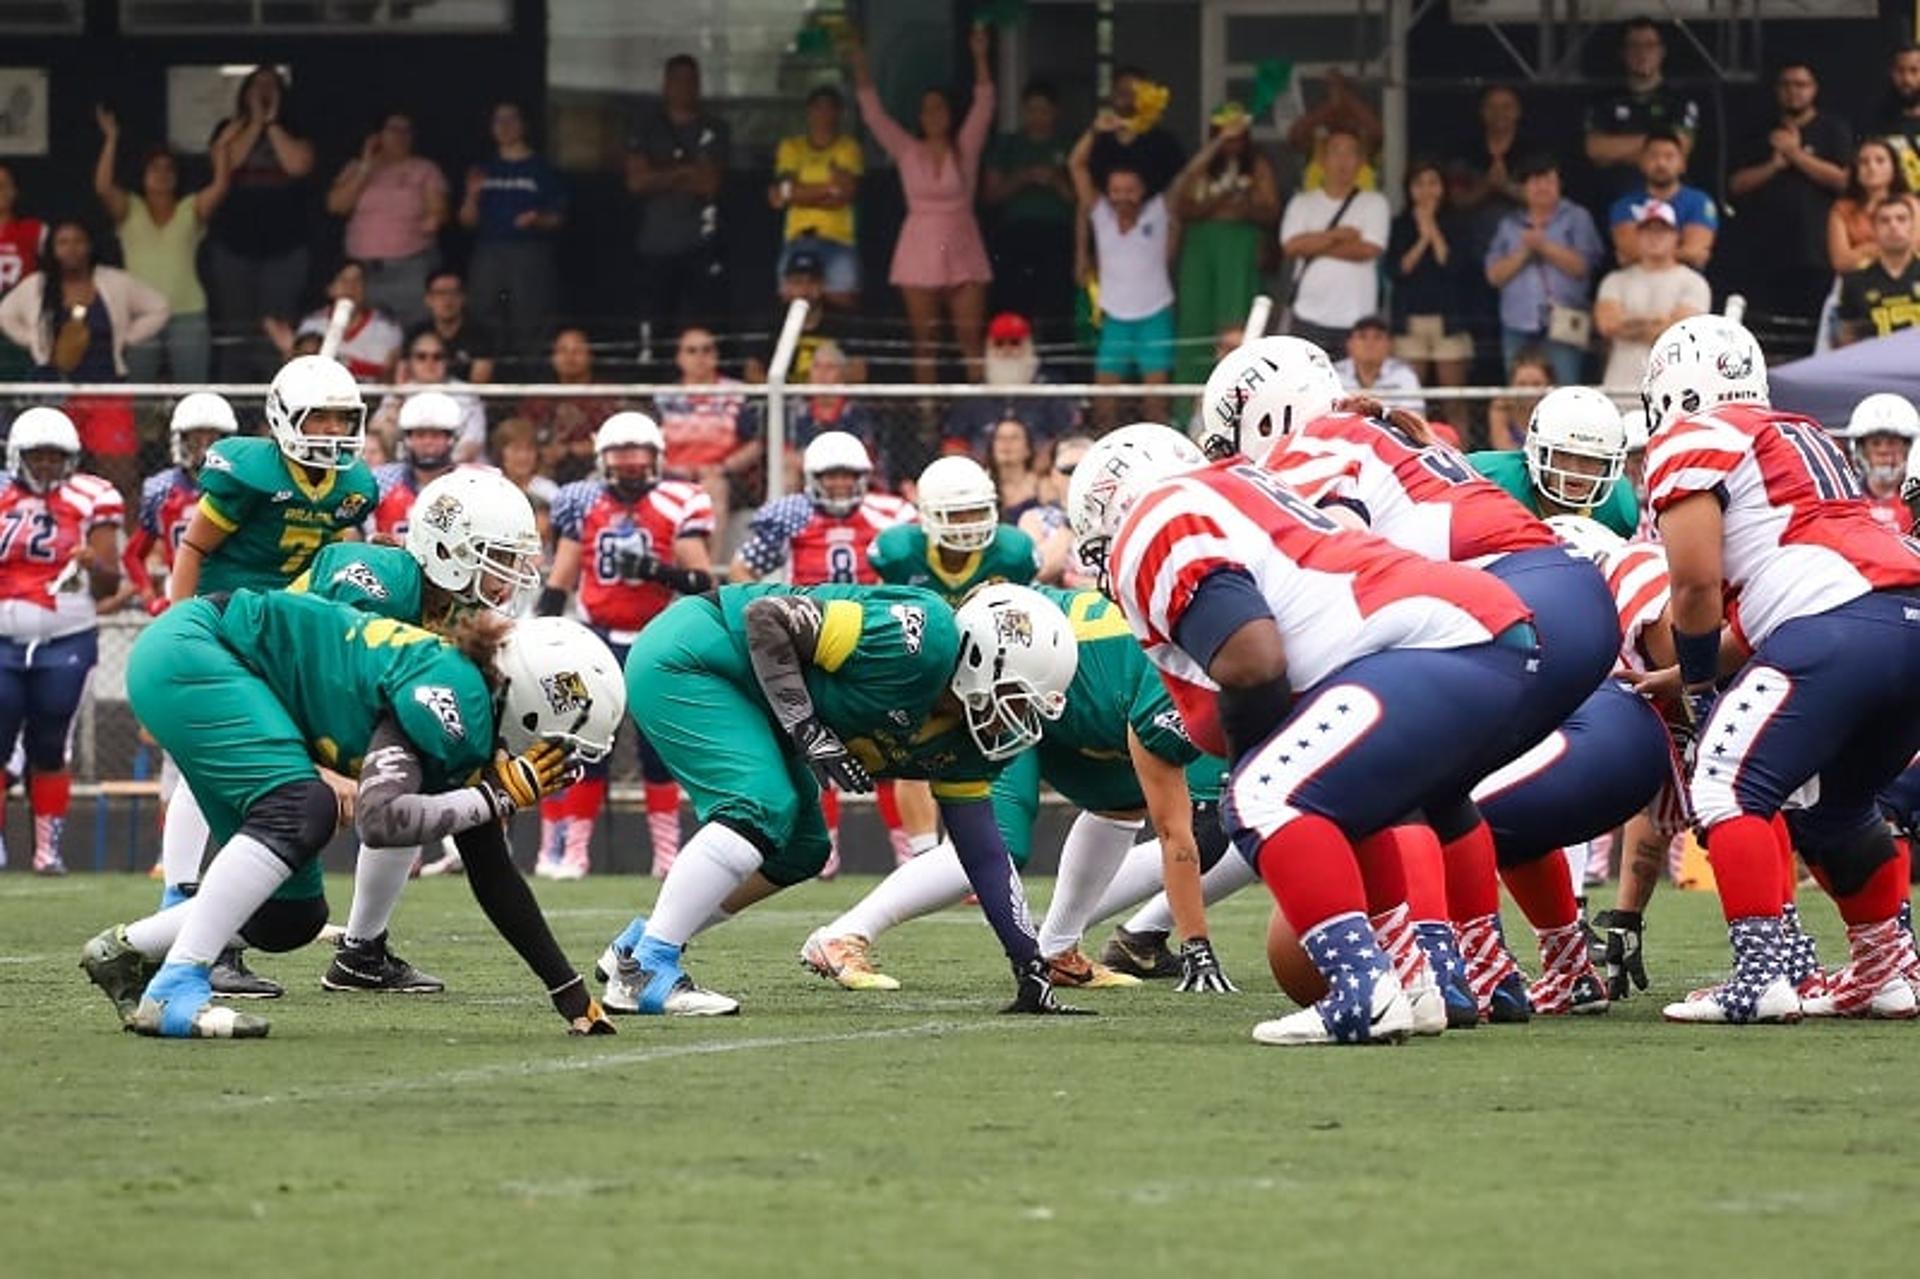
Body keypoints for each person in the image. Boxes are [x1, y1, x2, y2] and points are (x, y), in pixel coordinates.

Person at [1070, 423, 1540, 1044]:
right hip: (1476, 633)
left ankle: (1359, 990)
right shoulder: (1234, 491)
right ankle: (1412, 983)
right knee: (1349, 804)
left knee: (1261, 792)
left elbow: (1253, 662)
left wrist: (1249, 766)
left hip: (1440, 643)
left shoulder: (1157, 520)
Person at [1207, 339, 1619, 1020]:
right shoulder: (1382, 436)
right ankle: (1489, 970)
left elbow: (1337, 548)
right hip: (1565, 598)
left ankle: (1430, 966)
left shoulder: (1315, 442)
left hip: (1512, 603)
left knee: (1379, 775)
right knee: (1441, 783)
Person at [81, 597, 622, 1040]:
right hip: (197, 651)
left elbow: (492, 871)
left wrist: (570, 995)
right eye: (556, 742)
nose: (553, 759)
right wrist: (495, 798)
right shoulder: (457, 697)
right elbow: (381, 820)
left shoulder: (469, 700)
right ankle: (175, 987)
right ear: (531, 703)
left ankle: (125, 951)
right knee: (303, 807)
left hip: (198, 657)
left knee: (288, 917)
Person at [599, 582, 1084, 1017]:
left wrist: (1030, 966)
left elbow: (984, 855)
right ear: (979, 660)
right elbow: (766, 618)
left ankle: (642, 943)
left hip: (752, 700)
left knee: (803, 849)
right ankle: (645, 970)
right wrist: (808, 728)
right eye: (1016, 698)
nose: (1017, 719)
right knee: (760, 803)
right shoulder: (921, 640)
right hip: (697, 655)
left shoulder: (966, 744)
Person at [1640, 314, 1920, 1023]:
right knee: (1837, 805)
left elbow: (1697, 584)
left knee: (1725, 781)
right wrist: (1689, 673)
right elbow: (1781, 583)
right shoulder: (1801, 432)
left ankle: (1761, 975)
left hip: (1837, 624)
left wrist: (1699, 686)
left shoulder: (1694, 434)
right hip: (1900, 615)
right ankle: (1885, 969)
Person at [802, 581, 1226, 995]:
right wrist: (1197, 945)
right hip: (1012, 689)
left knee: (1122, 803)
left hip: (1070, 700)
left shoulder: (1193, 657)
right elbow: (1178, 834)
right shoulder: (1181, 676)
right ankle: (844, 935)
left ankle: (1058, 950)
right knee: (998, 841)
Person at [156, 356, 379, 999]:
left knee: (263, 764)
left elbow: (340, 558)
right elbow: (195, 547)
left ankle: (215, 920)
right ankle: (185, 897)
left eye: (345, 417)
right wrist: (182, 624)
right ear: (285, 419)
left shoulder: (351, 485)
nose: (335, 429)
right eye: (323, 416)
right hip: (225, 626)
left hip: (289, 634)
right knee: (218, 765)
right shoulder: (251, 473)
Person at [288, 467, 545, 989]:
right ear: (447, 553)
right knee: (287, 861)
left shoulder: (458, 611)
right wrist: (317, 769)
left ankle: (361, 951)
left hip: (320, 708)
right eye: (496, 559)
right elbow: (307, 673)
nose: (508, 576)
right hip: (252, 691)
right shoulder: (375, 580)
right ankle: (209, 941)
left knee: (423, 763)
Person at [539, 413, 715, 880]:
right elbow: (561, 579)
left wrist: (658, 571)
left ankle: (667, 855)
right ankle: (575, 853)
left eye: (640, 456)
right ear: (603, 459)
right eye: (622, 456)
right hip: (596, 638)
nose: (632, 465)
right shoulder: (582, 501)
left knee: (659, 748)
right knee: (586, 745)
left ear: (656, 457)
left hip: (656, 638)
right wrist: (545, 634)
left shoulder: (680, 500)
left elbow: (702, 582)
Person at [728, 433, 915, 873]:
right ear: (814, 478)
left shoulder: (891, 514)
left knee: (893, 742)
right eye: (830, 476)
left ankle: (908, 848)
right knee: (812, 739)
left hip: (871, 643)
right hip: (809, 643)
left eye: (847, 476)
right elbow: (742, 571)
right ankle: (825, 847)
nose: (838, 485)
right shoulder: (793, 516)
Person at [869, 454, 1039, 894]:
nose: (966, 524)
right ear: (928, 515)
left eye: (975, 512)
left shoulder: (1014, 552)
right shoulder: (898, 551)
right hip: (923, 662)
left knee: (985, 753)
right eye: (955, 513)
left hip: (988, 665)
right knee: (910, 743)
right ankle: (925, 856)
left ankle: (964, 854)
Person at [0, 407, 122, 876]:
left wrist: (94, 563)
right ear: (18, 455)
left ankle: (46, 851)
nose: (48, 465)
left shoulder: (94, 496)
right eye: (39, 456)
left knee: (51, 743)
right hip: (4, 640)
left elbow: (110, 585)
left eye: (57, 456)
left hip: (64, 638)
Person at [851, 24, 995, 383]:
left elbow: (985, 103)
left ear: (950, 113)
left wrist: (980, 56)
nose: (934, 115)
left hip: (963, 245)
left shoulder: (966, 147)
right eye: (927, 109)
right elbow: (873, 116)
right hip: (919, 248)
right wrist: (860, 65)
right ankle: (927, 418)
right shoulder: (906, 150)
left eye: (940, 108)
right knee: (925, 342)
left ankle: (979, 419)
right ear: (919, 116)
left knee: (970, 339)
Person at [0, 218, 168, 502]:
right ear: (52, 249)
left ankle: (121, 539)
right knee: (50, 468)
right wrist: (33, 342)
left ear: (89, 245)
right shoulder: (37, 286)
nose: (71, 249)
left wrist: (127, 337)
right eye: (63, 243)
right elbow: (5, 313)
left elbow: (159, 306)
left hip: (106, 389)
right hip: (53, 393)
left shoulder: (112, 281)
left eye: (78, 241)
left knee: (121, 474)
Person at [93, 105, 231, 383]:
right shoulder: (130, 208)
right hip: (140, 313)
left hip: (188, 311)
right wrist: (111, 139)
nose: (162, 173)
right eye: (154, 168)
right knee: (138, 393)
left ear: (178, 176)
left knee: (193, 391)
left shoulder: (190, 208)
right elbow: (104, 187)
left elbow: (220, 186)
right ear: (142, 175)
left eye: (169, 169)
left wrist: (222, 152)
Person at [204, 67, 315, 381]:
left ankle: (277, 397)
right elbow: (228, 162)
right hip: (234, 245)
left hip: (284, 246)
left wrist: (271, 124)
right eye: (258, 86)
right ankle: (236, 404)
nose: (264, 92)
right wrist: (253, 123)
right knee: (236, 328)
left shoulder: (294, 128)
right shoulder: (229, 129)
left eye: (271, 86)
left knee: (276, 326)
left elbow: (298, 165)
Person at [1726, 61, 1851, 325]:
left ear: (1814, 89)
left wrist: (1796, 154)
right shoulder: (1758, 129)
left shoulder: (1832, 129)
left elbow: (1844, 181)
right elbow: (1735, 185)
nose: (1793, 91)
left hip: (1816, 250)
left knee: (1815, 328)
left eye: (1801, 84)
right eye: (1786, 85)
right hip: (1764, 251)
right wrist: (1774, 165)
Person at [1171, 105, 1280, 385]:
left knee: (1236, 324)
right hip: (1200, 251)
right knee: (1196, 324)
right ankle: (1188, 407)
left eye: (1237, 136)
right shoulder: (1202, 166)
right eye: (1223, 135)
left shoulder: (1257, 165)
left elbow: (1270, 211)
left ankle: (1237, 397)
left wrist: (1242, 208)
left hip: (1239, 250)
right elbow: (1180, 204)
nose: (1231, 143)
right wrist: (1217, 203)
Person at [1069, 153, 1176, 427]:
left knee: (1156, 404)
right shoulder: (1101, 215)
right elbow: (1076, 164)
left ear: (1143, 190)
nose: (1122, 197)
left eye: (1130, 190)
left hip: (1155, 315)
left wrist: (1220, 140)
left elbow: (1188, 176)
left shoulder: (1160, 209)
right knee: (1105, 404)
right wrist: (1098, 129)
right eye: (1116, 191)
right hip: (1114, 317)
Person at [629, 55, 730, 339]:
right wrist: (685, 172)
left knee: (701, 329)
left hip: (700, 242)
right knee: (655, 327)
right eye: (678, 80)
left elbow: (709, 183)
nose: (685, 87)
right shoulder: (647, 126)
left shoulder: (714, 128)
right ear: (666, 84)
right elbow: (637, 181)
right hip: (655, 242)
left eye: (691, 80)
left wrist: (661, 175)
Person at [1484, 153, 1604, 385]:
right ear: (1523, 188)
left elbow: (1583, 267)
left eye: (1548, 180)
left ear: (1559, 185)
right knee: (1518, 393)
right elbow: (1494, 275)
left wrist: (1545, 246)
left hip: (1564, 321)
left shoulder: (1577, 217)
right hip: (1517, 323)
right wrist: (1523, 252)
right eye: (1535, 181)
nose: (1542, 187)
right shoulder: (1508, 225)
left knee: (1565, 389)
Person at [459, 101, 565, 361]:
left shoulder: (541, 168)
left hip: (528, 251)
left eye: (511, 119)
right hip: (489, 250)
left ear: (523, 125)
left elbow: (558, 217)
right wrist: (472, 195)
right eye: (498, 121)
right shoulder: (483, 168)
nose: (505, 126)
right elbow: (466, 221)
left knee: (529, 319)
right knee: (483, 315)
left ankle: (528, 384)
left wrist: (537, 219)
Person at [326, 111, 448, 331]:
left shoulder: (424, 169)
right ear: (378, 135)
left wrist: (433, 218)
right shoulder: (356, 167)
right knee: (366, 332)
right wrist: (365, 167)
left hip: (409, 267)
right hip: (363, 271)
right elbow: (336, 206)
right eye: (393, 130)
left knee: (413, 329)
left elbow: (437, 209)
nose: (400, 136)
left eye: (406, 131)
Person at [1468, 385, 1640, 535]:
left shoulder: (1618, 511)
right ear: (1538, 452)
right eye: (1563, 454)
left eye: (1590, 458)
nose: (1575, 469)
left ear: (1608, 464)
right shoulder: (1488, 481)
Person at [1277, 127, 1389, 353]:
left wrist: (1312, 245)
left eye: (1350, 153)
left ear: (1360, 162)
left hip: (1358, 320)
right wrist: (1337, 235)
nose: (1343, 161)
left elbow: (1368, 249)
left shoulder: (1374, 203)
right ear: (1322, 160)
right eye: (1336, 152)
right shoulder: (1302, 203)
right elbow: (1291, 246)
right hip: (1308, 316)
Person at [124, 394, 236, 613]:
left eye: (213, 440)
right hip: (181, 594)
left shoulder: (241, 486)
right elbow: (133, 555)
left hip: (231, 594)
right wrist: (150, 598)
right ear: (181, 440)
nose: (205, 449)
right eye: (196, 439)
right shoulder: (161, 489)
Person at [982, 81, 1075, 330]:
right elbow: (991, 195)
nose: (1038, 117)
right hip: (1016, 233)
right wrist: (1022, 178)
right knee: (1015, 300)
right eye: (1032, 110)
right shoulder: (1009, 145)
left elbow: (1081, 200)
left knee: (1056, 300)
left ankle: (1057, 366)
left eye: (1044, 110)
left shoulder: (1070, 145)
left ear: (1056, 111)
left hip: (1058, 232)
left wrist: (1055, 180)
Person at [1593, 200, 1711, 390]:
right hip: (1621, 385)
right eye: (1648, 230)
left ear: (1676, 236)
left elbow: (1681, 334)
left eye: (1662, 231)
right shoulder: (1615, 280)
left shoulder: (1694, 282)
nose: (1654, 237)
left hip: (1671, 388)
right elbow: (1608, 325)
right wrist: (1660, 321)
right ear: (1638, 236)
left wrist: (1628, 323)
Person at [654, 325, 759, 529]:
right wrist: (673, 470)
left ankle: (707, 562)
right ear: (679, 358)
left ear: (716, 356)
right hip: (671, 473)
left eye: (706, 350)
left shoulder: (737, 393)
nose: (699, 357)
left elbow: (755, 445)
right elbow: (651, 445)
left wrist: (721, 468)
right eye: (691, 351)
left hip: (725, 476)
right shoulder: (663, 397)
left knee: (713, 488)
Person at [1386, 158, 1473, 402]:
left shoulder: (1457, 223)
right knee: (1410, 401)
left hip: (1449, 320)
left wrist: (1433, 230)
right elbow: (1398, 270)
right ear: (1409, 189)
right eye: (1419, 184)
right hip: (1410, 321)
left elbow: (1454, 265)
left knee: (1454, 400)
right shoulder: (1400, 225)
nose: (1426, 190)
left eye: (1433, 183)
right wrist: (1421, 239)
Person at [1584, 19, 1701, 197]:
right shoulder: (1604, 101)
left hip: (1671, 199)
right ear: (1623, 53)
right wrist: (1657, 143)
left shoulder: (1680, 100)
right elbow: (1596, 149)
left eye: (1650, 45)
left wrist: (1617, 150)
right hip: (1616, 198)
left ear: (1662, 52)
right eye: (1634, 46)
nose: (1642, 53)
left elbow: (1680, 148)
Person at [770, 85, 862, 311]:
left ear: (839, 113)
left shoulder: (848, 147)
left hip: (838, 241)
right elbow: (780, 193)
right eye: (818, 108)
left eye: (829, 108)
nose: (823, 114)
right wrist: (827, 189)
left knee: (843, 305)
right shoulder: (791, 147)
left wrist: (796, 194)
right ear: (808, 112)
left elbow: (844, 195)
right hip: (797, 240)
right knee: (790, 307)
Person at [943, 311, 1079, 452]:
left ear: (1028, 347)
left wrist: (1047, 458)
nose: (1007, 350)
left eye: (1015, 343)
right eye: (999, 343)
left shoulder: (1050, 390)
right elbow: (953, 443)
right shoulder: (972, 397)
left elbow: (1069, 437)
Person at [265, 259, 403, 383]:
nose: (351, 287)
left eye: (358, 280)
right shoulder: (312, 325)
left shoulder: (386, 328)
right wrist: (290, 352)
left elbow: (389, 378)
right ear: (329, 288)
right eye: (343, 280)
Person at [518, 326, 620, 486]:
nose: (569, 357)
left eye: (577, 351)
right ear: (553, 357)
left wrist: (569, 450)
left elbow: (615, 441)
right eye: (563, 350)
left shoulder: (607, 395)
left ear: (590, 356)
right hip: (542, 475)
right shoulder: (540, 397)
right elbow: (521, 436)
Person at [1606, 129, 1718, 270]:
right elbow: (1629, 251)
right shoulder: (1623, 205)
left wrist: (1643, 256)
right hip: (1637, 282)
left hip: (1685, 283)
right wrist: (1682, 253)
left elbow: (1695, 252)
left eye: (1669, 157)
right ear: (1641, 163)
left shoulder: (1700, 202)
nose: (1661, 163)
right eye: (1653, 156)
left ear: (1683, 164)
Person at [366, 390, 464, 541]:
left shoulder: (468, 483)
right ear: (407, 439)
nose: (427, 443)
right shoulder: (380, 480)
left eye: (436, 435)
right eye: (420, 435)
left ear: (451, 438)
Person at [1085, 66, 1187, 198]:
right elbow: (1080, 172)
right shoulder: (1098, 139)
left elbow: (1181, 181)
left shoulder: (1163, 142)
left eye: (1131, 91)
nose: (1124, 95)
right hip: (1108, 214)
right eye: (1119, 90)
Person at [1836, 196, 1920, 345]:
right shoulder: (1855, 281)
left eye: (1901, 219)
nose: (1894, 226)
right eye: (1884, 221)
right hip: (1875, 366)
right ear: (1874, 230)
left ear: (1913, 227)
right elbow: (1847, 340)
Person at [1841, 392, 1918, 532]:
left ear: (1908, 449)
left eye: (1892, 443)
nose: (1883, 451)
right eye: (1875, 443)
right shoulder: (1843, 499)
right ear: (1861, 450)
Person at [408, 268, 496, 383]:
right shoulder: (416, 333)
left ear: (464, 298)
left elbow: (479, 384)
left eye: (454, 292)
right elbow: (403, 377)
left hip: (465, 399)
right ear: (428, 299)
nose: (447, 299)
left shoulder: (481, 335)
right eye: (440, 293)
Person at [1334, 315, 1426, 416]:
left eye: (1378, 337)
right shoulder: (1333, 373)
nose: (1370, 343)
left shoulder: (1404, 374)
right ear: (1350, 344)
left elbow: (1414, 416)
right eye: (1362, 337)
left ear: (1390, 345)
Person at [1485, 345, 1555, 451]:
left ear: (1549, 384)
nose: (1529, 391)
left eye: (1536, 384)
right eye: (1522, 384)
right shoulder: (1502, 406)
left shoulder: (1558, 408)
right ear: (1512, 384)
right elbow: (1502, 447)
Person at [1873, 43, 1920, 192]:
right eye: (1900, 71)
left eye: (1914, 71)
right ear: (1891, 73)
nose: (1906, 79)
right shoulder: (1877, 120)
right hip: (1894, 210)